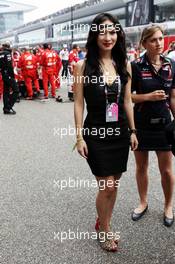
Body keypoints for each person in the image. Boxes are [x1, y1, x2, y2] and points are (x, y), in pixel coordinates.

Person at [74, 13, 138, 251]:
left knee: (115, 184)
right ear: (94, 34)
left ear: (117, 34)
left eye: (112, 32)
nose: (108, 37)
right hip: (96, 132)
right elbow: (79, 103)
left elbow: (127, 101)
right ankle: (104, 230)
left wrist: (132, 130)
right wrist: (79, 137)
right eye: (103, 32)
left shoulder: (124, 64)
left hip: (120, 132)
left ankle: (104, 222)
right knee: (107, 186)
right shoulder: (81, 65)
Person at [131, 25, 175, 227]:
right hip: (141, 124)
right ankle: (142, 202)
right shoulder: (136, 65)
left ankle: (168, 205)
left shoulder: (171, 64)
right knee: (141, 167)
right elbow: (127, 97)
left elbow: (173, 97)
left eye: (160, 38)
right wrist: (148, 97)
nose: (158, 43)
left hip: (164, 125)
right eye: (153, 40)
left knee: (166, 170)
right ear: (144, 43)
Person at [0, 43, 18, 114]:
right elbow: (9, 65)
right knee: (16, 90)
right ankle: (8, 106)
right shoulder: (7, 53)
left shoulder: (0, 53)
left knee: (6, 91)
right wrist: (12, 76)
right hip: (8, 74)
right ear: (8, 47)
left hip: (3, 74)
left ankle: (6, 108)